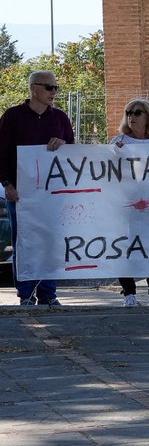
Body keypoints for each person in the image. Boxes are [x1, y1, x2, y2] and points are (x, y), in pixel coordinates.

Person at [0, 70, 74, 306]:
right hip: (20, 194)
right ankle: (25, 294)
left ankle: (48, 294)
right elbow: (1, 152)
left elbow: (74, 152)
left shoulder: (60, 118)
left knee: (49, 242)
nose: (54, 92)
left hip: (52, 194)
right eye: (49, 87)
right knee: (24, 243)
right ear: (34, 88)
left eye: (56, 88)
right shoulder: (12, 116)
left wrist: (63, 144)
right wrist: (7, 184)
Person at [111, 98, 149, 307]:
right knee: (126, 247)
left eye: (137, 113)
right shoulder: (118, 142)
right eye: (129, 112)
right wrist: (114, 154)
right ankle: (128, 293)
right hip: (126, 206)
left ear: (148, 117)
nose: (132, 117)